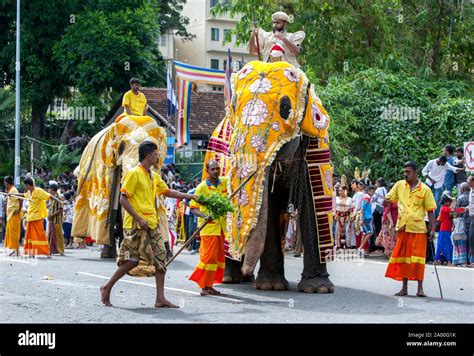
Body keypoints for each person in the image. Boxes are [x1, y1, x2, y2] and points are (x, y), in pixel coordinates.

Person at [100, 141, 196, 308]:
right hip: (136, 225)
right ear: (148, 155)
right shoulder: (134, 174)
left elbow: (167, 192)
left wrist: (191, 197)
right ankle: (107, 286)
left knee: (161, 260)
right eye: (156, 153)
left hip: (152, 224)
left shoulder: (153, 175)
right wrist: (138, 218)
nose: (158, 156)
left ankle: (160, 298)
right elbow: (123, 199)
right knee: (133, 261)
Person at [384, 161, 437, 297]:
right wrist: (385, 201)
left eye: (408, 172)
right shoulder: (399, 185)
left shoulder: (425, 189)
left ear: (415, 173)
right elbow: (388, 199)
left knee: (418, 259)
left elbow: (430, 210)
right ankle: (404, 288)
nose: (405, 174)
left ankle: (420, 288)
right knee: (403, 258)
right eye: (404, 172)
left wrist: (432, 229)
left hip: (419, 228)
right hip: (403, 226)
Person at [189, 160, 227, 296]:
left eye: (217, 168)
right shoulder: (201, 187)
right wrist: (205, 216)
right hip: (208, 228)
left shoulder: (224, 183)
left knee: (216, 258)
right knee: (208, 258)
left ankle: (209, 285)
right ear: (207, 171)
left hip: (221, 228)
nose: (216, 171)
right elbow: (193, 208)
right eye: (213, 169)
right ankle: (203, 285)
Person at [10, 177, 63, 257]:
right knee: (30, 235)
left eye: (25, 186)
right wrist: (13, 195)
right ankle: (32, 252)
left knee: (40, 234)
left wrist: (60, 201)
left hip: (37, 217)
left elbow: (50, 196)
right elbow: (24, 195)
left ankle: (46, 252)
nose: (24, 187)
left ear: (28, 185)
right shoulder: (29, 192)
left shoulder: (38, 191)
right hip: (30, 217)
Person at [376, 183, 398, 258]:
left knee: (394, 238)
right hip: (389, 220)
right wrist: (391, 221)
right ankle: (390, 254)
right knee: (390, 238)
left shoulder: (397, 197)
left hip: (396, 220)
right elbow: (387, 211)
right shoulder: (388, 197)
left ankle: (392, 254)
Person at [434, 193, 454, 265]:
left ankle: (438, 259)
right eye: (449, 201)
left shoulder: (443, 208)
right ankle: (448, 261)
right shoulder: (445, 209)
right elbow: (454, 210)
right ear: (445, 202)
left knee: (441, 244)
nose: (450, 203)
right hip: (445, 229)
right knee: (447, 245)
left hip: (445, 229)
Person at [4, 176, 21, 256]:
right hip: (10, 215)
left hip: (14, 214)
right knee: (10, 232)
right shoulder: (10, 190)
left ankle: (16, 250)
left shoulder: (14, 190)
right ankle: (14, 249)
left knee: (14, 232)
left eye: (5, 183)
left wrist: (19, 210)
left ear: (7, 183)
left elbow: (20, 199)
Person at [357, 185, 376, 255]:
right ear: (369, 191)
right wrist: (362, 219)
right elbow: (362, 209)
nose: (373, 192)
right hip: (366, 218)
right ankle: (361, 247)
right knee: (370, 232)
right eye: (372, 191)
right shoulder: (366, 198)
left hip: (366, 217)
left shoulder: (368, 197)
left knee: (365, 233)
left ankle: (361, 249)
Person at [47, 182, 64, 255]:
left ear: (52, 189)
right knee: (50, 235)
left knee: (58, 236)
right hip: (51, 220)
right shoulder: (51, 197)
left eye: (49, 189)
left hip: (57, 220)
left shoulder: (59, 197)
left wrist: (52, 215)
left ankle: (61, 251)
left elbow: (60, 209)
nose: (48, 190)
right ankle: (50, 250)